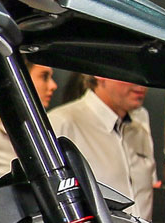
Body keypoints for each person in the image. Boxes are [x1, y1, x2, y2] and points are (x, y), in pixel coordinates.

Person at [49, 74, 157, 214]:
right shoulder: (62, 123)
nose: (141, 84)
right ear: (100, 75)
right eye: (130, 71)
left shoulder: (140, 130)